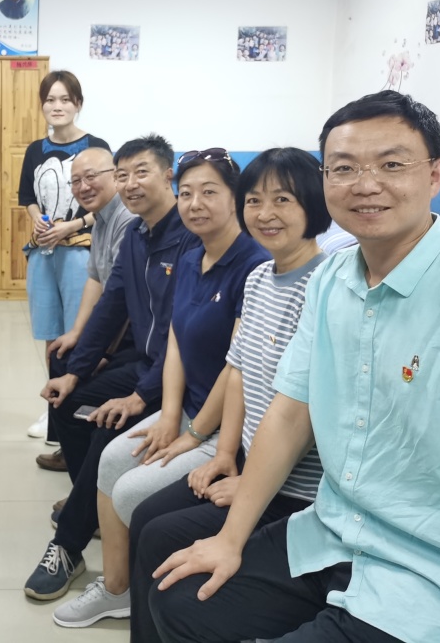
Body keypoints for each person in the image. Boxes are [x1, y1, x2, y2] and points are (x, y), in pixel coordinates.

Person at [154, 91, 440, 642]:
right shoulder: (331, 280)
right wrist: (230, 539)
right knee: (182, 598)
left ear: (435, 175)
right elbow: (289, 411)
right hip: (334, 534)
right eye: (345, 168)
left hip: (438, 575)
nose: (366, 184)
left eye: (392, 165)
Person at [50, 149, 270, 626]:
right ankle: (116, 588)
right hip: (186, 407)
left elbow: (236, 369)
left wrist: (193, 432)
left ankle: (142, 592)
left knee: (130, 492)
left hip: (223, 424)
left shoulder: (254, 267)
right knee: (111, 458)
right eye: (187, 193)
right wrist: (170, 416)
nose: (195, 204)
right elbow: (175, 341)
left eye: (209, 192)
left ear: (236, 198)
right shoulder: (191, 257)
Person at [121, 147, 330, 640]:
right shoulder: (258, 279)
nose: (265, 213)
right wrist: (224, 454)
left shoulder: (323, 288)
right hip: (253, 466)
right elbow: (237, 369)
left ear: (314, 205)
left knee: (160, 539)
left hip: (296, 492)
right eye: (254, 200)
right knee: (147, 519)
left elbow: (306, 415)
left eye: (283, 200)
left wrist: (254, 483)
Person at [23, 135, 201, 601]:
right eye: (123, 175)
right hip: (147, 363)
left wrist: (139, 396)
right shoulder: (137, 236)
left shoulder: (191, 240)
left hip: (177, 379)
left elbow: (183, 337)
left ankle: (68, 546)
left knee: (107, 429)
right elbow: (111, 302)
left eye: (141, 172)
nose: (130, 184)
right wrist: (74, 372)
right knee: (67, 401)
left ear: (168, 175)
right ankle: (95, 509)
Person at [33, 146, 137, 468]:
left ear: (115, 176)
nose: (83, 186)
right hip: (116, 331)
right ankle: (68, 448)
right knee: (60, 352)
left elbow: (120, 302)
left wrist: (102, 353)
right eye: (76, 181)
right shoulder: (102, 218)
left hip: (132, 339)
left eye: (91, 177)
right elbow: (95, 278)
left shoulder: (127, 220)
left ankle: (84, 471)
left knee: (74, 383)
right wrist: (77, 332)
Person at [20, 71, 110, 361]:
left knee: (78, 330)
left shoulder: (97, 147)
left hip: (82, 252)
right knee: (49, 332)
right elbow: (28, 197)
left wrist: (73, 225)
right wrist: (37, 217)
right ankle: (55, 389)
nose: (56, 106)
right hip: (44, 250)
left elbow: (108, 202)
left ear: (78, 104)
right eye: (50, 100)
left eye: (65, 100)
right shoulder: (35, 150)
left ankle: (77, 386)